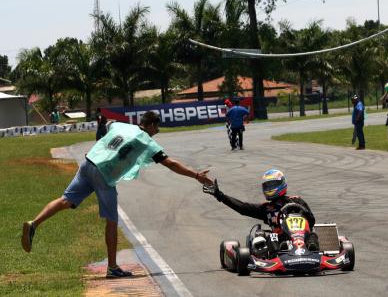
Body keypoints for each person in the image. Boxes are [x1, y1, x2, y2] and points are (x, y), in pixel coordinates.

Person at [21, 111, 213, 278]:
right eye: (157, 128)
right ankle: (112, 267)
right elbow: (170, 163)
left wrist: (103, 124)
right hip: (105, 174)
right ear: (151, 125)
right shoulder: (146, 141)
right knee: (111, 220)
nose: (158, 132)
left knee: (65, 200)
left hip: (88, 163)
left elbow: (107, 122)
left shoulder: (122, 125)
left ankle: (33, 224)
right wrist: (196, 175)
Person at [203, 169, 318, 256]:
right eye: (267, 186)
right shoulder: (266, 208)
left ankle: (313, 248)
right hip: (279, 238)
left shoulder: (296, 200)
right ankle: (279, 252)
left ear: (282, 184)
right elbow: (243, 208)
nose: (270, 188)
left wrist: (301, 214)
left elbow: (311, 221)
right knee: (268, 236)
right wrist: (220, 195)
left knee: (313, 234)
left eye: (273, 185)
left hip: (302, 236)